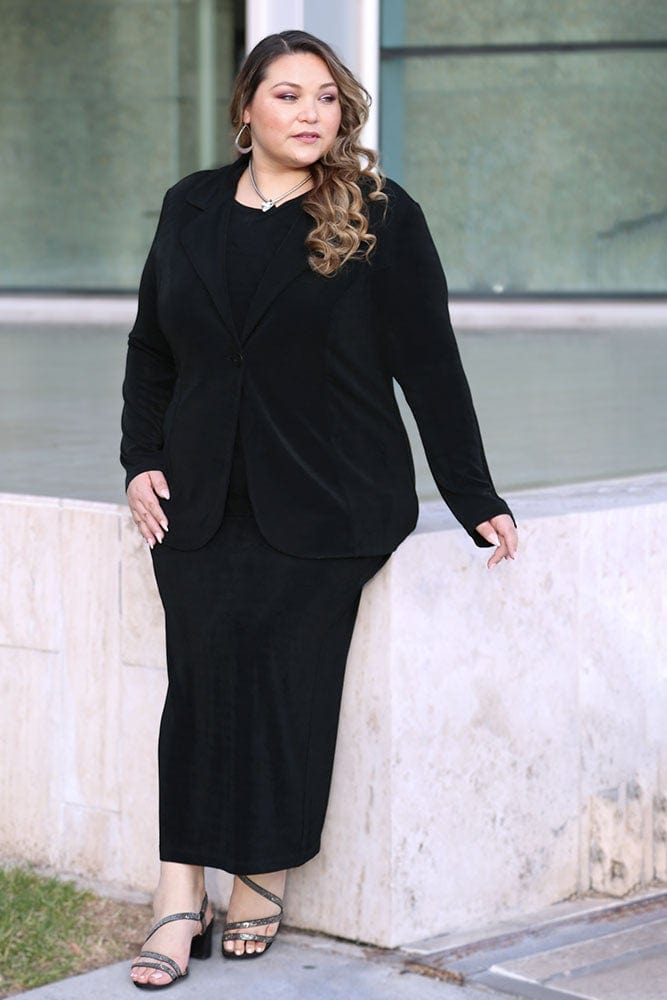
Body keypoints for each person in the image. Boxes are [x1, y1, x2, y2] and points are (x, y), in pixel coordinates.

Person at [121, 29, 517, 991]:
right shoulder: (192, 206)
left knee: (288, 684)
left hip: (331, 497)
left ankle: (261, 872)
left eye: (328, 99)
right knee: (199, 683)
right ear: (245, 107)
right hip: (201, 494)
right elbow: (151, 351)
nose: (310, 114)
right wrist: (140, 461)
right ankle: (180, 894)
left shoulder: (378, 212)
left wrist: (472, 495)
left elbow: (430, 365)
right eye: (289, 95)